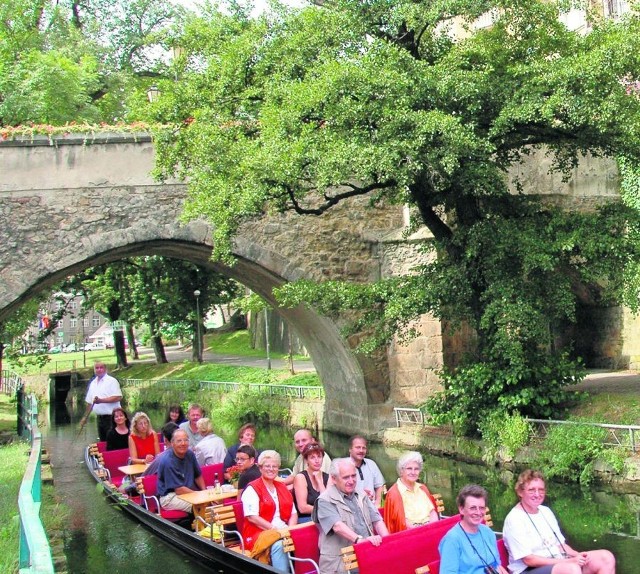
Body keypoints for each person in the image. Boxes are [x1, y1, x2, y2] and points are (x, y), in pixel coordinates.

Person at [503, 469, 616, 574]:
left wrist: (578, 556)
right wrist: (569, 562)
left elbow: (560, 545)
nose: (537, 494)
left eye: (541, 490)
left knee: (606, 557)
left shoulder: (545, 511)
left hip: (557, 561)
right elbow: (529, 560)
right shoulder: (514, 519)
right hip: (527, 570)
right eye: (531, 490)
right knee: (571, 569)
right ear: (520, 492)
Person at [313, 458, 389, 573]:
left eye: (353, 476)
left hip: (365, 555)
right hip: (339, 563)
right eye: (346, 477)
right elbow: (337, 526)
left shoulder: (361, 494)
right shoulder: (324, 500)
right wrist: (360, 540)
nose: (351, 481)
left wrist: (389, 542)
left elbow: (377, 520)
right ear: (333, 479)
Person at [241, 450, 298, 572]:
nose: (271, 469)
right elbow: (252, 517)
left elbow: (293, 513)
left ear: (278, 468)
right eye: (267, 466)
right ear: (260, 468)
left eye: (274, 466)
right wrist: (276, 530)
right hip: (258, 532)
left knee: (302, 538)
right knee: (280, 545)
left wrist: (290, 530)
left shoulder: (281, 486)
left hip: (283, 530)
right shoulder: (252, 489)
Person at [438, 484, 508, 574]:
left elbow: (497, 565)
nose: (478, 512)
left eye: (482, 508)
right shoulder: (452, 540)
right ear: (461, 509)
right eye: (473, 508)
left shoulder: (488, 532)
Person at [383, 451, 438, 533]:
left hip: (429, 530)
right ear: (401, 471)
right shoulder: (394, 493)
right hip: (410, 534)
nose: (413, 472)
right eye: (409, 468)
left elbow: (433, 512)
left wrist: (431, 528)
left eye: (416, 469)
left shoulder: (422, 488)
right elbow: (400, 522)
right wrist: (420, 531)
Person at [156, 429, 205, 513]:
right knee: (199, 505)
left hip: (187, 491)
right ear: (172, 443)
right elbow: (179, 490)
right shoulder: (168, 461)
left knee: (213, 501)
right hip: (170, 496)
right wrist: (199, 496)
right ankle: (202, 525)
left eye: (185, 440)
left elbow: (198, 475)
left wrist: (205, 492)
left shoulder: (190, 454)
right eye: (179, 441)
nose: (183, 443)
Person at [80, 362, 123, 441]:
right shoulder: (93, 383)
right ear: (94, 370)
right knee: (103, 442)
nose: (99, 370)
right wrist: (85, 417)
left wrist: (101, 400)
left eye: (101, 367)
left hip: (112, 418)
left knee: (113, 441)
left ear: (105, 369)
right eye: (97, 368)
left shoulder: (111, 381)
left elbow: (118, 397)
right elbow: (90, 402)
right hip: (100, 418)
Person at [293, 442, 329, 523]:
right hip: (306, 519)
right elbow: (302, 508)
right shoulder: (301, 477)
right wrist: (324, 510)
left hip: (325, 517)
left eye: (319, 457)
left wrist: (320, 482)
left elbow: (328, 502)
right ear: (306, 460)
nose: (317, 461)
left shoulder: (327, 477)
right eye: (312, 457)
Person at [348, 435, 385, 506]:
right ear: (350, 449)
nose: (361, 450)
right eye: (358, 447)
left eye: (363, 448)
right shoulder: (343, 466)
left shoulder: (371, 464)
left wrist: (378, 504)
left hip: (372, 506)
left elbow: (380, 487)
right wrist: (361, 496)